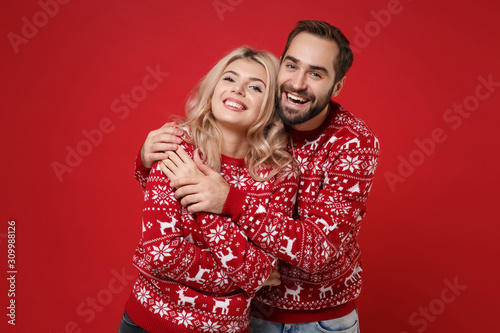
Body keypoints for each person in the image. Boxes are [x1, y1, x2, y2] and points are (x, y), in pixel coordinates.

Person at [138, 20, 380, 333]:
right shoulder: (258, 109)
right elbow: (181, 195)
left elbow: (317, 251)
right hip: (245, 311)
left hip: (317, 320)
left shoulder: (353, 142)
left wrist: (229, 201)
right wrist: (147, 160)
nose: (298, 83)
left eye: (316, 73)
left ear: (337, 86)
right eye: (291, 65)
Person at [119, 47, 299, 333]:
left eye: (255, 86)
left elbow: (263, 267)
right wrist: (247, 273)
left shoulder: (281, 174)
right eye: (229, 79)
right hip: (148, 323)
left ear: (272, 105)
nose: (238, 89)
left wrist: (210, 202)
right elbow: (161, 253)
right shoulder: (176, 145)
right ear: (214, 87)